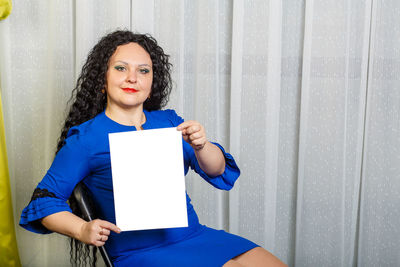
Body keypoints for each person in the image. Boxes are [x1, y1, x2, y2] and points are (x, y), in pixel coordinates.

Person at [20, 30, 286, 267]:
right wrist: (81, 229)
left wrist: (202, 146)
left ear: (151, 85)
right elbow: (43, 201)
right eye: (121, 68)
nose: (132, 78)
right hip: (141, 252)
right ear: (102, 79)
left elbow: (218, 171)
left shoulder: (169, 122)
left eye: (143, 70)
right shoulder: (86, 138)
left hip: (194, 235)